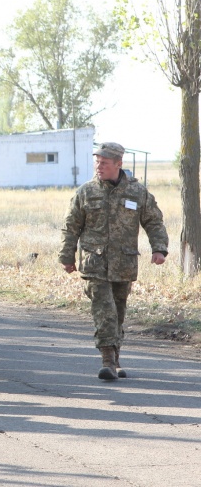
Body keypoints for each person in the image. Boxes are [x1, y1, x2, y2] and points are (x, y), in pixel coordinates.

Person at [59, 142, 168, 380]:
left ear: (118, 164)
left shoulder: (137, 193)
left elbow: (153, 221)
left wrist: (159, 249)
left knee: (118, 312)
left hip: (124, 264)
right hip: (94, 263)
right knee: (105, 311)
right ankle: (107, 361)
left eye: (104, 163)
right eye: (96, 162)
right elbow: (71, 227)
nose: (99, 167)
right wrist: (66, 256)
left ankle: (116, 359)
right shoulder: (86, 192)